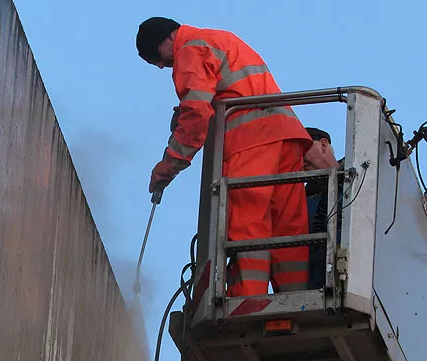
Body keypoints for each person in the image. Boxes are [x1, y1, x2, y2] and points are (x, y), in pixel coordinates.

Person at [135, 17, 314, 296]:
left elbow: (196, 115)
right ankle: (295, 304)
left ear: (168, 38)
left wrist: (168, 166)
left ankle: (248, 303)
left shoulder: (188, 49)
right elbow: (226, 90)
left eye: (155, 58)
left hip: (252, 142)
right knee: (288, 231)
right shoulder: (220, 39)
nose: (160, 66)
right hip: (287, 137)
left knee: (247, 226)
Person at [303, 127, 344, 290]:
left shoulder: (359, 180)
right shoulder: (301, 201)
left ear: (323, 145)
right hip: (316, 289)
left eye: (302, 149)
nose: (299, 159)